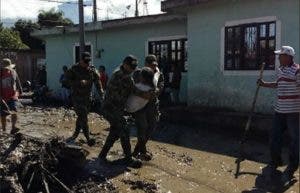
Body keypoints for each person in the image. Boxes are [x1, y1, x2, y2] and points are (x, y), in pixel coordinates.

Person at [98, 55, 152, 168]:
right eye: (131, 67)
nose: (133, 69)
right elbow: (132, 90)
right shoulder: (120, 75)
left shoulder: (126, 74)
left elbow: (133, 89)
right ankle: (128, 158)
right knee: (124, 128)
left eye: (134, 67)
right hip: (110, 108)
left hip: (116, 108)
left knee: (115, 131)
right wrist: (143, 94)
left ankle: (102, 155)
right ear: (125, 64)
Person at [257, 46, 299, 183]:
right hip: (279, 111)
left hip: (294, 113)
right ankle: (275, 161)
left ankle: (292, 166)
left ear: (288, 57)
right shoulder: (281, 70)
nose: (278, 58)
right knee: (274, 136)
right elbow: (278, 85)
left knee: (295, 141)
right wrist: (264, 84)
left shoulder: (297, 71)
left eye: (280, 55)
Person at [65, 52, 104, 146]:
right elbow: (66, 82)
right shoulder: (73, 69)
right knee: (83, 117)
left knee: (81, 118)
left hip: (88, 98)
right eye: (85, 62)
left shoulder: (91, 69)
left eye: (88, 61)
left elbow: (98, 82)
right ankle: (88, 138)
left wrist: (102, 95)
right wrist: (78, 82)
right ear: (81, 60)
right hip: (77, 98)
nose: (87, 63)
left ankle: (75, 134)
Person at [132, 55, 164, 161]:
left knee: (151, 127)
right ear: (146, 64)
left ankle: (138, 150)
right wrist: (143, 93)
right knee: (142, 128)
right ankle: (140, 152)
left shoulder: (159, 75)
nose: (153, 67)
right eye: (151, 65)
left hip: (152, 105)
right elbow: (133, 86)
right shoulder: (138, 73)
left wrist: (154, 92)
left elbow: (160, 87)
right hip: (140, 105)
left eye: (155, 65)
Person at [0, 58, 23, 134]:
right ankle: (4, 130)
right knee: (3, 114)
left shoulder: (13, 72)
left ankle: (13, 127)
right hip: (2, 97)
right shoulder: (0, 73)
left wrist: (20, 90)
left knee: (14, 111)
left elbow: (17, 81)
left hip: (12, 95)